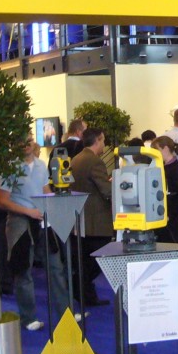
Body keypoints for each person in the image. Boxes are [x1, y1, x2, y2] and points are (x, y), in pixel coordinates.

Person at [0, 134, 69, 331]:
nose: (26, 145)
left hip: (42, 221)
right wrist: (28, 211)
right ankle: (28, 318)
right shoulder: (9, 168)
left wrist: (54, 208)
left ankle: (65, 313)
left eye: (28, 141)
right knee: (23, 270)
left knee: (56, 267)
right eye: (21, 142)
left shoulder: (41, 165)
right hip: (20, 222)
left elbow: (46, 191)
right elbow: (2, 201)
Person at [68, 127, 111, 306]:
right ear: (97, 140)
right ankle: (81, 288)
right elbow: (106, 191)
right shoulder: (95, 162)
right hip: (96, 220)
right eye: (103, 140)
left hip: (80, 218)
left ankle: (85, 293)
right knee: (97, 257)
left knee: (85, 259)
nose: (104, 144)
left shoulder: (76, 159)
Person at [152, 135, 178, 243]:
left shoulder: (174, 170)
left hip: (174, 220)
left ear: (165, 149)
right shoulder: (170, 168)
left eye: (157, 150)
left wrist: (170, 214)